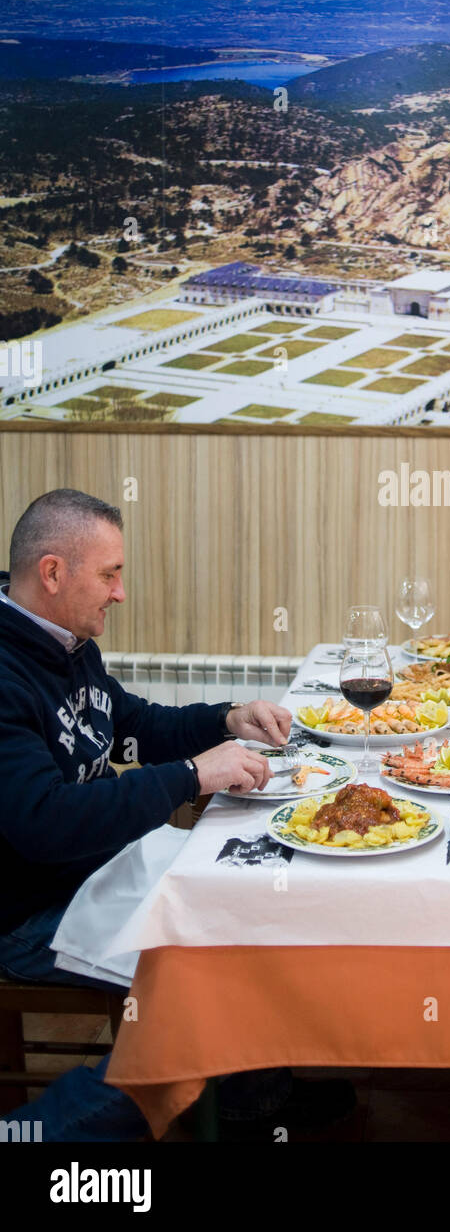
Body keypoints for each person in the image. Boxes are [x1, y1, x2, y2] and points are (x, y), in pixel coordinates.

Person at [0, 488, 353, 1140]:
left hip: (102, 870)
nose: (120, 592)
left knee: (258, 910)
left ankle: (253, 1103)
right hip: (32, 912)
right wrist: (191, 775)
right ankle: (36, 1134)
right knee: (214, 983)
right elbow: (43, 821)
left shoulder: (68, 641)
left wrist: (224, 720)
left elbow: (129, 724)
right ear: (52, 572)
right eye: (110, 574)